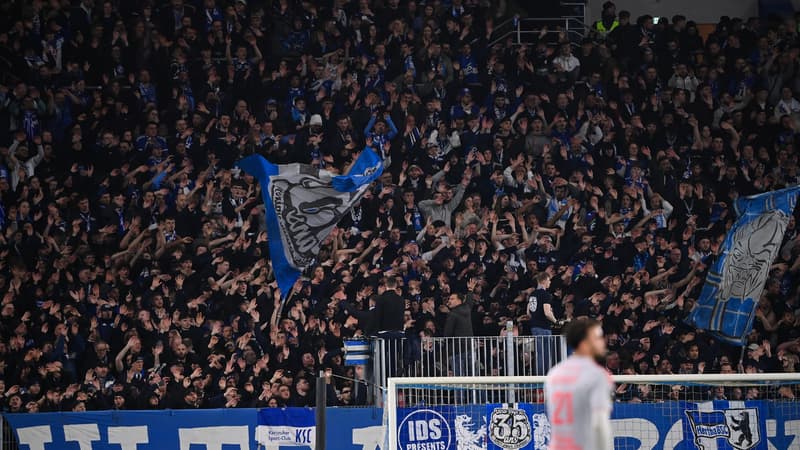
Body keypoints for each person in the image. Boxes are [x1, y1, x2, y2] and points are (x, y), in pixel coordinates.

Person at [545, 318, 614, 450]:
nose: (603, 342)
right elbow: (600, 424)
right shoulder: (597, 375)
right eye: (598, 337)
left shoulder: (555, 373)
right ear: (584, 343)